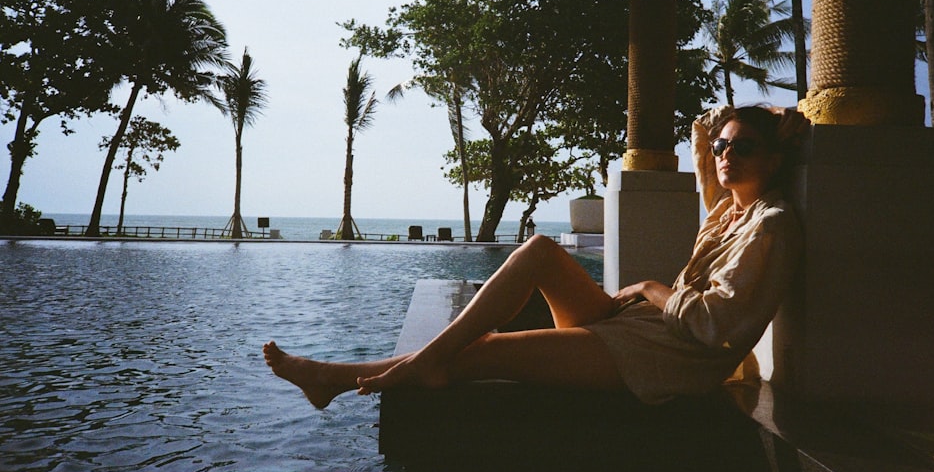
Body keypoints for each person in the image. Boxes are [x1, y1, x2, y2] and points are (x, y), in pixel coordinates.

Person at [264, 105, 808, 408]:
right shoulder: (724, 210)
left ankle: (333, 377)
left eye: (745, 146)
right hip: (639, 329)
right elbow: (705, 125)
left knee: (489, 352)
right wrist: (776, 113)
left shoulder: (771, 225)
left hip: (669, 359)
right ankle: (422, 360)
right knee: (541, 249)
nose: (725, 154)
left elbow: (714, 327)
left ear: (776, 158)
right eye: (723, 148)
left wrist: (647, 287)